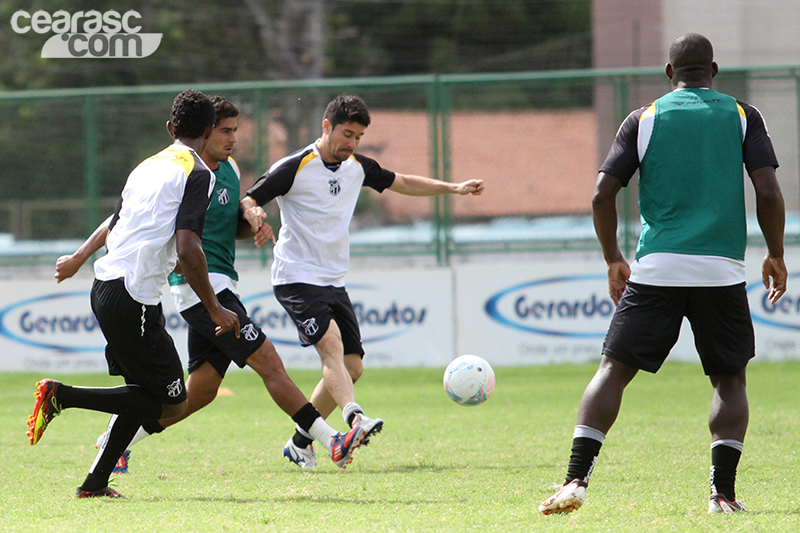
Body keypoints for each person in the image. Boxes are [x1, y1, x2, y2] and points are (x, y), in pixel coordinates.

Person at [538, 33, 787, 515]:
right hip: (720, 271)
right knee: (729, 381)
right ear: (713, 70)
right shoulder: (742, 115)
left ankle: (575, 480)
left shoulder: (643, 118)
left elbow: (600, 196)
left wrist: (613, 258)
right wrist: (775, 252)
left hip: (656, 270)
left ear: (669, 73)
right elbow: (770, 193)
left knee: (613, 370)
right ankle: (723, 495)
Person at [54, 96, 367, 476]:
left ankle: (116, 443)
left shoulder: (229, 170)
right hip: (200, 289)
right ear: (205, 133)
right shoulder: (188, 171)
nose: (232, 138)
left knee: (196, 394)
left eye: (236, 130)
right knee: (269, 361)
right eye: (224, 130)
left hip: (217, 284)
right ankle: (326, 439)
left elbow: (220, 226)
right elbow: (128, 222)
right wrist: (78, 257)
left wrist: (251, 223)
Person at [240, 94, 485, 468]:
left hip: (333, 280)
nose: (351, 143)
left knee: (352, 366)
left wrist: (452, 188)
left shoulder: (356, 166)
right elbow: (251, 198)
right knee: (332, 347)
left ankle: (300, 443)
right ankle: (355, 418)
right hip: (296, 277)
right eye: (346, 134)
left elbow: (402, 182)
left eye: (358, 136)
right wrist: (255, 213)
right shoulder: (295, 166)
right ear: (327, 126)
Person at [27, 89, 242, 498]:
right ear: (210, 130)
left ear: (169, 128)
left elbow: (116, 221)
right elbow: (188, 246)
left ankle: (94, 483)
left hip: (106, 287)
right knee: (172, 402)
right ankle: (61, 395)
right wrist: (214, 308)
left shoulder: (147, 166)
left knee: (141, 394)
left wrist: (77, 258)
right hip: (133, 296)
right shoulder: (200, 173)